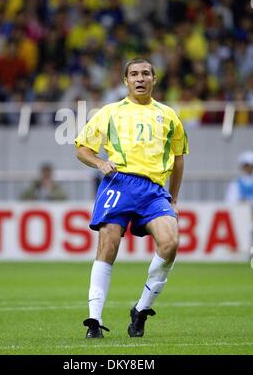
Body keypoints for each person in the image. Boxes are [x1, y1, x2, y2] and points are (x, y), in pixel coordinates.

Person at [75, 57, 189, 338]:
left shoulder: (169, 115)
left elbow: (178, 159)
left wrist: (173, 199)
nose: (140, 78)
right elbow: (82, 148)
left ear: (154, 79)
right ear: (125, 81)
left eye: (146, 74)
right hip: (119, 183)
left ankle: (140, 311)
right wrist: (100, 163)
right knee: (109, 243)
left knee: (171, 243)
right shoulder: (109, 112)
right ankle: (94, 320)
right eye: (134, 74)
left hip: (153, 191)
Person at [225, 150, 253, 241]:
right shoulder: (236, 183)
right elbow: (230, 201)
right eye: (246, 165)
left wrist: (248, 203)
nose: (249, 168)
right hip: (241, 218)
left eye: (251, 166)